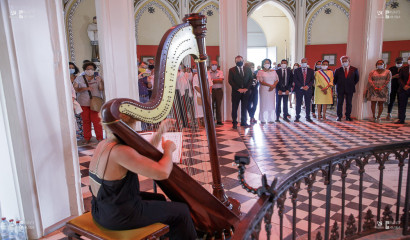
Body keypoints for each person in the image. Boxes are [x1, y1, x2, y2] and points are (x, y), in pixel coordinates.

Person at [89, 114, 197, 239]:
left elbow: (141, 153)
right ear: (125, 128)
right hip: (118, 216)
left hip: (101, 210)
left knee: (159, 198)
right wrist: (168, 150)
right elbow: (163, 172)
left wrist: (161, 131)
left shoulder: (104, 144)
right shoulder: (121, 152)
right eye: (132, 128)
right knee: (182, 211)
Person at [73, 62, 104, 143]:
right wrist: (85, 88)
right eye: (88, 69)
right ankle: (87, 138)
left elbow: (101, 89)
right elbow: (75, 89)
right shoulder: (79, 78)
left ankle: (100, 138)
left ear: (94, 70)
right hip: (83, 102)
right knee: (86, 121)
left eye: (92, 69)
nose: (90, 70)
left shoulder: (97, 77)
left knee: (97, 121)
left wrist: (100, 81)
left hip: (95, 103)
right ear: (85, 70)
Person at [228, 55, 253, 129]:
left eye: (240, 60)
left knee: (244, 107)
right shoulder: (231, 70)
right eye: (237, 61)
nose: (239, 62)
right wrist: (238, 89)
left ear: (243, 61)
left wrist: (246, 88)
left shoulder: (248, 69)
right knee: (234, 107)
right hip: (236, 92)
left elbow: (251, 80)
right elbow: (230, 81)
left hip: (246, 92)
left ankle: (243, 122)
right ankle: (234, 123)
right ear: (235, 61)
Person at [334, 56, 359, 121]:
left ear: (349, 61)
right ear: (341, 62)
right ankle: (339, 116)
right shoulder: (337, 70)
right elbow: (335, 80)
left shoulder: (354, 69)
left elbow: (356, 79)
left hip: (350, 89)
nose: (344, 62)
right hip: (340, 89)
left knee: (349, 103)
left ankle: (348, 116)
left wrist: (350, 84)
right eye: (343, 61)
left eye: (346, 61)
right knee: (339, 103)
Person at [293, 58, 315, 122]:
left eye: (305, 62)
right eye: (302, 62)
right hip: (299, 89)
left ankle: (308, 116)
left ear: (307, 62)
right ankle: (297, 116)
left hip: (308, 89)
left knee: (308, 103)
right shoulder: (297, 70)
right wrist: (301, 86)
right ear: (300, 63)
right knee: (298, 103)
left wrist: (307, 86)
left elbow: (312, 80)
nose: (303, 63)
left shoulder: (311, 70)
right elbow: (295, 79)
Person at [257, 59, 278, 124]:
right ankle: (263, 119)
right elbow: (261, 81)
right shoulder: (260, 71)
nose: (267, 64)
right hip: (264, 89)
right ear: (263, 64)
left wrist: (273, 86)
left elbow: (277, 79)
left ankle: (271, 118)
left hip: (272, 90)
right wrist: (270, 86)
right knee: (264, 103)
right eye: (265, 63)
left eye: (268, 63)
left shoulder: (273, 71)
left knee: (271, 104)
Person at [69, 62, 83, 141]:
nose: (71, 69)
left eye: (72, 67)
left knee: (79, 118)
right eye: (69, 67)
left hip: (78, 99)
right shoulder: (64, 77)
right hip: (70, 99)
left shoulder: (78, 78)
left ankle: (80, 136)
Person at [208, 61, 224, 125]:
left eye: (215, 64)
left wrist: (211, 80)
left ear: (217, 65)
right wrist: (216, 80)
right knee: (210, 106)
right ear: (210, 65)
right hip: (210, 91)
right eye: (212, 64)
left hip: (219, 91)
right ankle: (211, 120)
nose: (214, 65)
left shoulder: (220, 72)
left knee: (218, 106)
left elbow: (221, 81)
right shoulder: (207, 73)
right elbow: (207, 82)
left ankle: (219, 120)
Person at [395, 58, 410, 124]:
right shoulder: (403, 69)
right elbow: (399, 78)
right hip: (403, 89)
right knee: (402, 105)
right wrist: (404, 86)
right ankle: (401, 119)